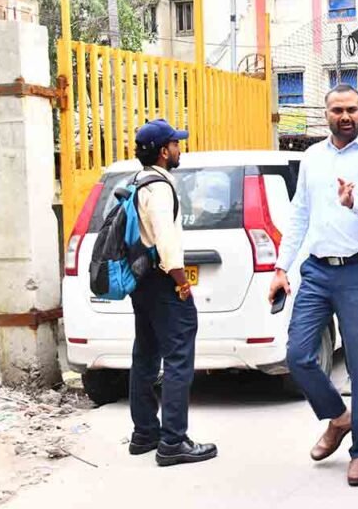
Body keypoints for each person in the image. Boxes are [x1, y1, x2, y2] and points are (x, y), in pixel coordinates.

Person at [268, 84, 358, 487]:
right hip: (317, 271)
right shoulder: (312, 158)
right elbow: (299, 214)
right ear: (326, 114)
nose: (345, 116)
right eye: (337, 110)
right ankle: (338, 417)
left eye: (352, 110)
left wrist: (355, 203)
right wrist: (281, 267)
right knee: (298, 355)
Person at [128, 118, 217, 468]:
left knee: (145, 354)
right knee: (179, 358)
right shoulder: (161, 188)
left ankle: (145, 434)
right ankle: (173, 442)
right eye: (176, 144)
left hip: (142, 281)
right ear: (164, 151)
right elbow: (166, 241)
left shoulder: (138, 182)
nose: (180, 149)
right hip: (164, 280)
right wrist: (182, 282)